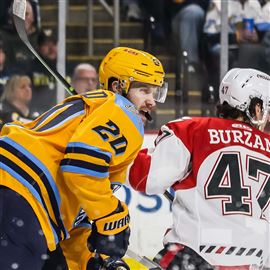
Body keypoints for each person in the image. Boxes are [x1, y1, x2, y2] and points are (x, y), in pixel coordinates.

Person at [0, 46, 168, 270]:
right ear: (118, 86)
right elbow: (81, 166)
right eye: (144, 90)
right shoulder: (123, 110)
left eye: (155, 92)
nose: (152, 101)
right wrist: (112, 217)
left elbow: (73, 218)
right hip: (24, 199)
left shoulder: (90, 109)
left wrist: (89, 261)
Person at [128, 68, 270, 269]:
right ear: (256, 107)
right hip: (256, 261)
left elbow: (145, 178)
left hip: (193, 256)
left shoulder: (192, 129)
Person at [28, 28, 58, 114]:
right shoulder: (30, 68)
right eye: (46, 44)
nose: (51, 48)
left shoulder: (67, 67)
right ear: (39, 48)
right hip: (37, 114)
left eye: (54, 44)